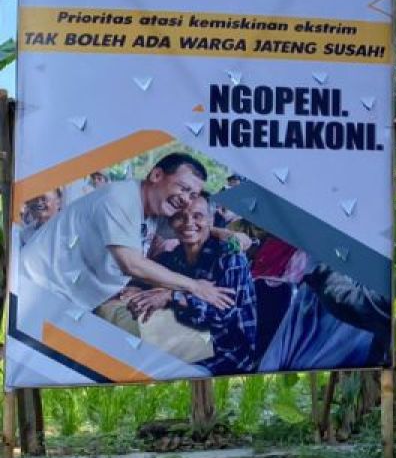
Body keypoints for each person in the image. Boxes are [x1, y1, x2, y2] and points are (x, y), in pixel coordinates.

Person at [16, 152, 235, 314]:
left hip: (66, 303)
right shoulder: (120, 199)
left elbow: (184, 227)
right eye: (183, 188)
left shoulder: (155, 211)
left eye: (193, 195)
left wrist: (219, 232)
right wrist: (195, 287)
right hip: (35, 292)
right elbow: (131, 263)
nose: (186, 199)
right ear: (156, 175)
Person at [125, 192, 258, 375]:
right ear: (171, 222)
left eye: (198, 216)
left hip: (227, 352)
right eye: (180, 216)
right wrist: (135, 289)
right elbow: (148, 280)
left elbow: (222, 317)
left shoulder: (229, 257)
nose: (188, 223)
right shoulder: (174, 258)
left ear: (211, 220)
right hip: (186, 340)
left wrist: (173, 296)